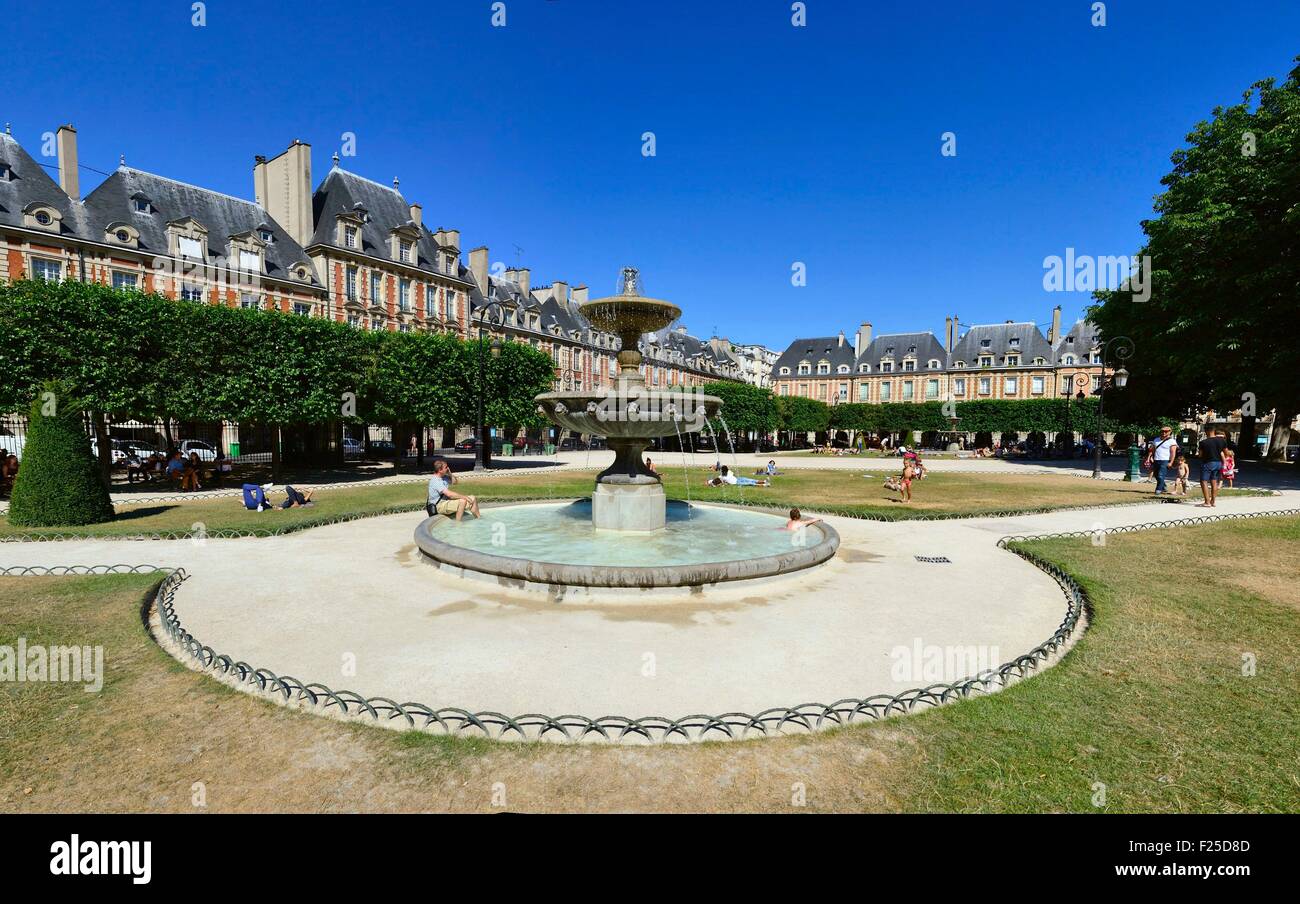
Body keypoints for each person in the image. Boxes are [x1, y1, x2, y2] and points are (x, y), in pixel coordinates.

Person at [1197, 428, 1229, 508]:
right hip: (1218, 463)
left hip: (1208, 463)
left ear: (1206, 432)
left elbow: (1200, 455)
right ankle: (1213, 501)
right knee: (1214, 482)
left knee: (1203, 481)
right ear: (1214, 432)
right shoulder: (1222, 441)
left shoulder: (1203, 442)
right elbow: (1226, 453)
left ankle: (1207, 502)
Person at [1148, 426, 1178, 495]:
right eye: (1162, 431)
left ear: (1170, 432)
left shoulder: (1172, 441)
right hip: (1156, 459)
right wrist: (1151, 457)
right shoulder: (1156, 440)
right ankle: (1163, 486)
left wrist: (1171, 462)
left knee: (1161, 475)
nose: (1164, 433)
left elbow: (1173, 453)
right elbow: (1153, 449)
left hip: (1165, 460)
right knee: (1156, 475)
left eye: (1166, 431)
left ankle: (1158, 489)